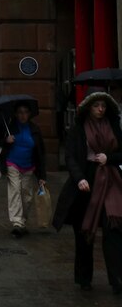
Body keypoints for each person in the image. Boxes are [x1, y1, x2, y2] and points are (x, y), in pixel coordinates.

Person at [52, 91, 122, 292]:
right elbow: (71, 157)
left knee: (114, 230)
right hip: (87, 181)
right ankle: (84, 278)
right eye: (96, 105)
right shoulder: (78, 129)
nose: (100, 109)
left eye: (103, 105)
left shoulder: (114, 126)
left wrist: (109, 158)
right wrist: (80, 178)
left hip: (111, 181)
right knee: (84, 231)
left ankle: (117, 280)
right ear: (88, 108)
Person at [0, 102, 46, 237]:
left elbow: (41, 153)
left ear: (29, 114)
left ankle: (22, 221)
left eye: (25, 112)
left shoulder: (34, 129)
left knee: (27, 197)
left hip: (29, 167)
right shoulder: (9, 127)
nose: (23, 115)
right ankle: (17, 223)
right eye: (20, 112)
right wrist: (6, 140)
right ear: (16, 114)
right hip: (12, 164)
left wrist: (42, 176)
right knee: (15, 191)